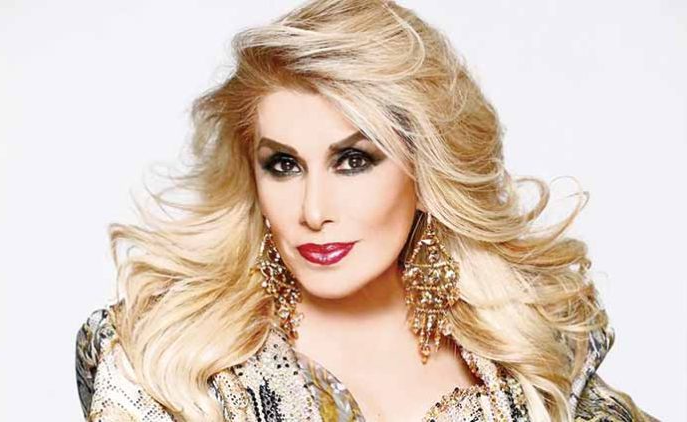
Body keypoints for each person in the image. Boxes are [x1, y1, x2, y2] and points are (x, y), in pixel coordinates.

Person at [75, 0, 657, 421]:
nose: (313, 210)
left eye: (353, 160)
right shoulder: (174, 358)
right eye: (284, 165)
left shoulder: (521, 354)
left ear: (425, 171)